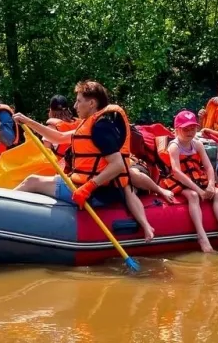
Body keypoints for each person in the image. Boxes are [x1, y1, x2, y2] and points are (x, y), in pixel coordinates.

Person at [15, 81, 156, 241]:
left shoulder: (101, 128)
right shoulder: (92, 124)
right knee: (34, 180)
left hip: (96, 192)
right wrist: (28, 121)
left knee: (32, 181)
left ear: (91, 103)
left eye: (79, 101)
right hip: (84, 184)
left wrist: (88, 187)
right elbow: (59, 137)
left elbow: (117, 165)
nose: (75, 106)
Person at [162, 110, 218, 252]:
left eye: (193, 128)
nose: (190, 132)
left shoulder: (197, 144)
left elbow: (208, 167)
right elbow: (176, 172)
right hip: (181, 180)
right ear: (177, 129)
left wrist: (211, 185)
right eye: (186, 129)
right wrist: (199, 190)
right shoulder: (174, 146)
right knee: (193, 196)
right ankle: (201, 236)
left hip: (196, 177)